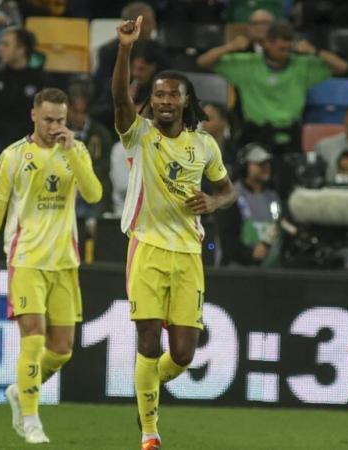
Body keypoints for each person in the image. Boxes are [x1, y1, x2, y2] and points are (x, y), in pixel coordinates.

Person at [112, 17, 237, 450]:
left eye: (173, 95)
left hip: (187, 253)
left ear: (186, 102)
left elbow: (227, 190)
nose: (164, 100)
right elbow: (118, 101)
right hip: (146, 246)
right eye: (159, 94)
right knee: (148, 337)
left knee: (182, 354)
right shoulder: (139, 136)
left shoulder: (203, 145)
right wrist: (125, 49)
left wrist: (213, 202)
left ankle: (146, 387)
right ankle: (150, 433)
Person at [0, 88, 102, 444]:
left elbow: (93, 195)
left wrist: (73, 153)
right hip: (26, 259)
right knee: (33, 339)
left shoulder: (75, 151)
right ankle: (31, 420)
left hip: (64, 262)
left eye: (60, 119)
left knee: (61, 349)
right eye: (48, 119)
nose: (54, 126)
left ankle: (20, 390)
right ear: (33, 116)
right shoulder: (13, 156)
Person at [197, 21, 348, 156]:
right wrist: (231, 46)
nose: (286, 53)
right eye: (281, 48)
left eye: (289, 49)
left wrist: (314, 51)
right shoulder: (248, 64)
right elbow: (203, 62)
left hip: (290, 135)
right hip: (256, 134)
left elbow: (343, 67)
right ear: (267, 43)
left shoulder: (302, 65)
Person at [0, 27, 44, 191]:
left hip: (27, 139)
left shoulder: (39, 79)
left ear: (21, 50)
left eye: (5, 45)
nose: (0, 48)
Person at [216, 144, 281, 267]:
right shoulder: (230, 196)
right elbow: (227, 239)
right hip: (238, 273)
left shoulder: (273, 197)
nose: (265, 168)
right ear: (244, 166)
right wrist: (250, 253)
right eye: (259, 164)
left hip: (270, 273)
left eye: (267, 164)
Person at [67, 80, 114, 216]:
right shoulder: (61, 134)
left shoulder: (100, 133)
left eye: (83, 113)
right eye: (75, 112)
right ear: (68, 109)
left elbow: (105, 165)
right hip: (68, 188)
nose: (79, 117)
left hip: (93, 187)